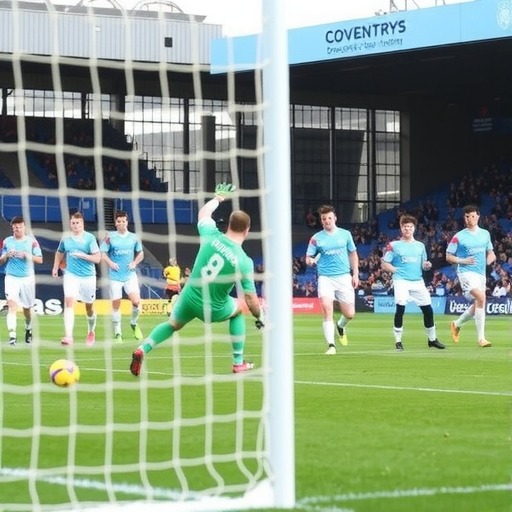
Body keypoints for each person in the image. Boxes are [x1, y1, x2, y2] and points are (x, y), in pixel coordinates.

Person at [130, 183, 265, 376]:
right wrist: (260, 317)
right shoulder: (244, 261)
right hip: (213, 308)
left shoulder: (211, 235)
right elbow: (251, 300)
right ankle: (238, 362)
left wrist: (217, 198)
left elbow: (203, 214)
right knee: (239, 309)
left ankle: (142, 349)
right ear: (247, 230)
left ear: (228, 224)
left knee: (172, 325)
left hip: (189, 297)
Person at [381, 214, 445, 351]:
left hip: (417, 281)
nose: (407, 229)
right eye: (405, 227)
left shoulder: (420, 246)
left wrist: (427, 265)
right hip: (401, 280)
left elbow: (423, 264)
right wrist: (394, 269)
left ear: (414, 228)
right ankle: (398, 341)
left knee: (428, 309)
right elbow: (385, 263)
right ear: (401, 228)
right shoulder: (394, 245)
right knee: (400, 308)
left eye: (410, 227)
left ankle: (432, 339)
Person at [305, 204, 359, 355]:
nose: (327, 221)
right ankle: (331, 346)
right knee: (327, 309)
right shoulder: (316, 238)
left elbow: (353, 254)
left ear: (335, 218)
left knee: (350, 314)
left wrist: (355, 274)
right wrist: (310, 261)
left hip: (344, 277)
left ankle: (340, 326)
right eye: (324, 219)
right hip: (325, 278)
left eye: (329, 218)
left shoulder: (345, 234)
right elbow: (308, 257)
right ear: (321, 220)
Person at [446, 205, 496, 348]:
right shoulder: (458, 236)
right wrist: (462, 260)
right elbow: (448, 256)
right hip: (466, 273)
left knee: (479, 302)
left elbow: (491, 253)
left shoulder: (485, 234)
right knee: (481, 297)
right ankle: (481, 339)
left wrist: (488, 261)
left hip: (481, 274)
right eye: (467, 216)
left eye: (472, 216)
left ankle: (456, 324)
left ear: (478, 217)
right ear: (464, 218)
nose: (469, 219)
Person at [52, 211, 101, 346]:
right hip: (71, 275)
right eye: (73, 223)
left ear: (82, 224)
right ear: (70, 224)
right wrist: (55, 267)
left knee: (89, 307)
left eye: (77, 223)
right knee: (69, 301)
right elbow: (59, 252)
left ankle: (91, 331)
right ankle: (68, 336)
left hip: (88, 276)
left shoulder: (89, 238)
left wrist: (84, 256)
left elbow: (98, 258)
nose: (75, 225)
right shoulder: (66, 238)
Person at [100, 210, 144, 343]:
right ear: (115, 223)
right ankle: (118, 332)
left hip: (130, 275)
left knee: (136, 302)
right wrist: (111, 263)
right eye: (119, 221)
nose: (121, 223)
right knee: (116, 304)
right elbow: (103, 253)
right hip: (115, 276)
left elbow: (141, 254)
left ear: (127, 222)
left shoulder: (134, 237)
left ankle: (134, 323)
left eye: (123, 221)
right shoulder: (110, 237)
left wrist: (134, 263)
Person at [0, 216, 43, 345]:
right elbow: (0, 260)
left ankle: (28, 329)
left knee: (27, 309)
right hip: (11, 277)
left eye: (20, 226)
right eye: (15, 227)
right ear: (12, 228)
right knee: (12, 306)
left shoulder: (32, 242)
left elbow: (40, 259)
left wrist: (27, 255)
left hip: (27, 278)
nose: (17, 229)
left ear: (24, 227)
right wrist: (6, 255)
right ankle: (12, 336)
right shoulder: (7, 242)